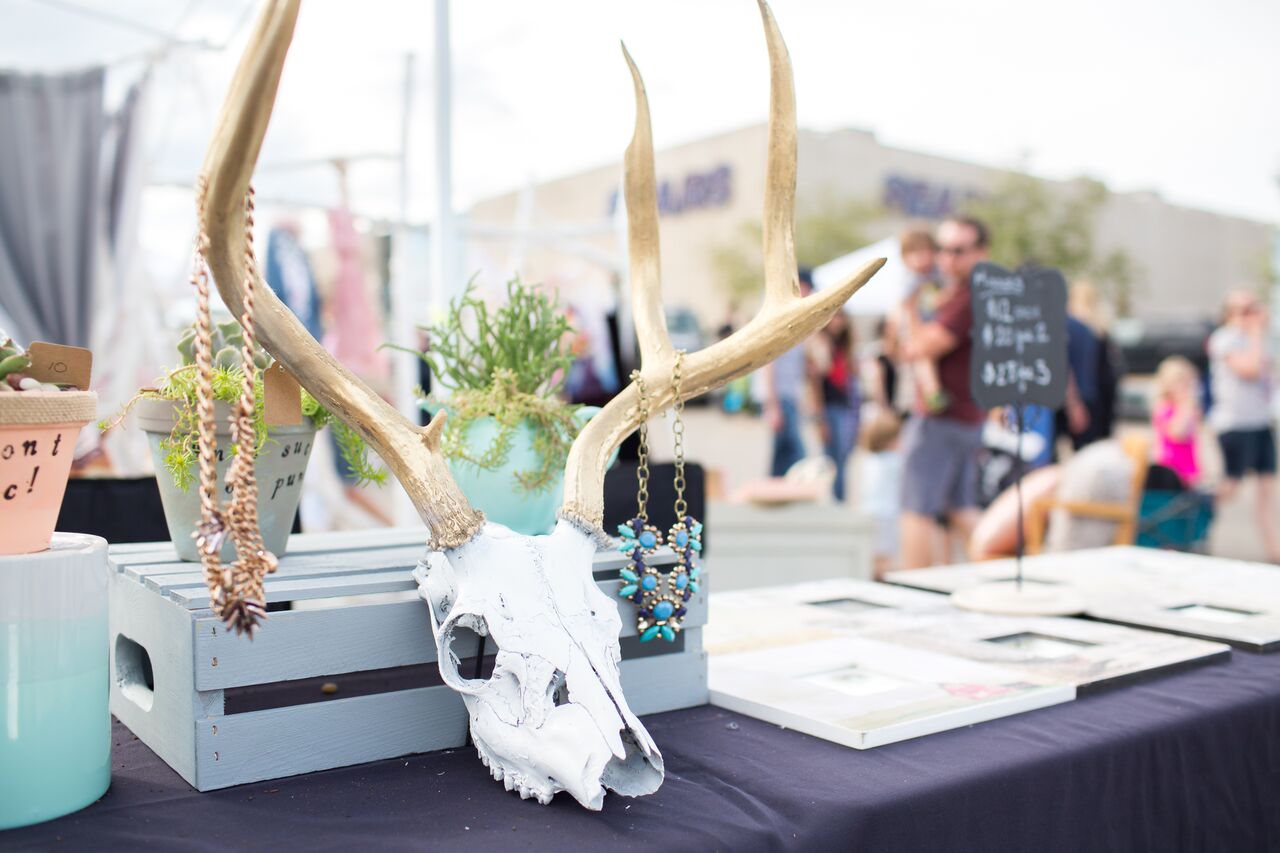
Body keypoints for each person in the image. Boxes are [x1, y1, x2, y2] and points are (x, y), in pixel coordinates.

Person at [897, 216, 990, 568]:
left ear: (980, 252)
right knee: (960, 509)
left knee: (916, 510)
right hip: (964, 419)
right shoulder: (962, 295)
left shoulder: (968, 298)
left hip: (943, 420)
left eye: (958, 250)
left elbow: (919, 348)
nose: (946, 258)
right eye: (942, 249)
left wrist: (908, 311)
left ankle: (913, 595)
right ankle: (1002, 572)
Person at [1208, 290, 1278, 562]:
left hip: (1260, 421)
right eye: (1243, 309)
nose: (1250, 314)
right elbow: (1249, 370)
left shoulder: (1260, 339)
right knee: (1231, 486)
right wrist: (1256, 334)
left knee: (1268, 488)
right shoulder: (1224, 339)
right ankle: (1193, 520)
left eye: (1253, 307)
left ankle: (1274, 550)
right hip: (1235, 424)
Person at [763, 270, 816, 477]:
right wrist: (772, 405)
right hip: (780, 397)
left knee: (782, 455)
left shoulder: (796, 322)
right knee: (796, 454)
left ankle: (774, 493)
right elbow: (769, 364)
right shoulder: (779, 320)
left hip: (790, 396)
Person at [897, 225, 948, 413]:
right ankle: (932, 393)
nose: (920, 258)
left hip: (934, 324)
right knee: (922, 359)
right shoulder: (911, 281)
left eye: (923, 251)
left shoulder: (939, 274)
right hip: (917, 328)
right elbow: (909, 312)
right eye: (913, 252)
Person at [814, 310, 860, 501]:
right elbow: (816, 383)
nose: (838, 322)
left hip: (845, 408)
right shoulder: (821, 346)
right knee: (832, 459)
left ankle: (838, 498)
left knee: (842, 457)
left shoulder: (844, 348)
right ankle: (833, 499)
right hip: (830, 408)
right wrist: (820, 418)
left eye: (841, 317)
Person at [858, 408, 903, 577]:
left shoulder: (870, 460)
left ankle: (875, 576)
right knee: (885, 556)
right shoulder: (894, 461)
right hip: (887, 514)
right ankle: (883, 580)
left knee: (874, 553)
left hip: (869, 511)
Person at [1151, 356, 1201, 487]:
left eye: (1189, 384)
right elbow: (1177, 433)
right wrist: (1186, 408)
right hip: (1172, 468)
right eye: (1182, 384)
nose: (1187, 389)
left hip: (1188, 467)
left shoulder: (1185, 408)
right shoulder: (1165, 408)